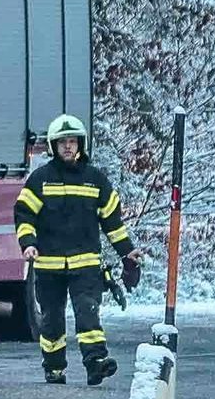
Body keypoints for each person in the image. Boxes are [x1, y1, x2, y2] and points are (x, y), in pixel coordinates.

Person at [17, 113, 137, 385]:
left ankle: (96, 362)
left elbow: (112, 222)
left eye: (72, 142)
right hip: (48, 265)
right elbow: (24, 215)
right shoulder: (40, 180)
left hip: (86, 265)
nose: (68, 147)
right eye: (63, 143)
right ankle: (54, 366)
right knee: (51, 320)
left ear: (81, 144)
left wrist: (127, 252)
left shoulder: (96, 180)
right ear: (53, 146)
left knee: (88, 311)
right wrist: (28, 244)